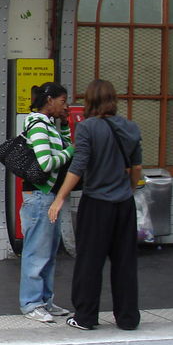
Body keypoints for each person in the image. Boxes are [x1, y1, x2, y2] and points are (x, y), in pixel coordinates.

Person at [49, 79, 143, 331]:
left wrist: (59, 197)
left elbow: (78, 167)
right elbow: (136, 169)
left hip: (97, 203)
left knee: (90, 261)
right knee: (125, 262)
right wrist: (129, 190)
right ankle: (128, 318)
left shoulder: (88, 128)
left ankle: (86, 317)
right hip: (124, 205)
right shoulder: (131, 128)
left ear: (90, 101)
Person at [18, 82, 74, 323]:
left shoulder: (50, 124)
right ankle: (31, 303)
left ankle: (45, 301)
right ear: (49, 100)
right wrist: (71, 151)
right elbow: (46, 163)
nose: (66, 106)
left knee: (49, 252)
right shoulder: (38, 124)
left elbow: (63, 145)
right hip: (39, 196)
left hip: (48, 196)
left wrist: (64, 125)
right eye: (62, 101)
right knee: (36, 252)